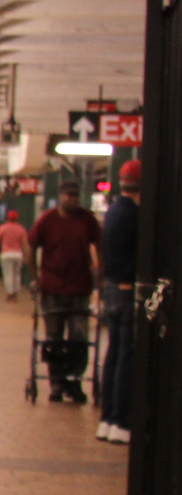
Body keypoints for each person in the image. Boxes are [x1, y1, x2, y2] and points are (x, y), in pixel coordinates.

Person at [27, 180, 101, 403]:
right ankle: (57, 384)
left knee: (79, 338)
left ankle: (75, 381)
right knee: (54, 338)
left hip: (80, 288)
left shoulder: (87, 219)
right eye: (68, 195)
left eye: (76, 195)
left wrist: (101, 277)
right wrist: (34, 277)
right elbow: (30, 244)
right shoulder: (48, 220)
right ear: (60, 196)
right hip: (52, 289)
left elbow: (100, 244)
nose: (72, 199)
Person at [97, 160, 141, 443]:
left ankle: (107, 419)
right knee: (127, 357)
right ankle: (123, 422)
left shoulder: (112, 211)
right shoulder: (135, 215)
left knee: (113, 355)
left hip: (111, 290)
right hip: (127, 291)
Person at [0, 209, 29, 300]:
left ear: (8, 217)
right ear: (17, 218)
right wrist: (27, 255)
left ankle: (10, 293)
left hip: (6, 254)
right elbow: (25, 244)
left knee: (8, 274)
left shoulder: (2, 228)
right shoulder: (21, 229)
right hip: (18, 254)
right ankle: (16, 293)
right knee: (17, 274)